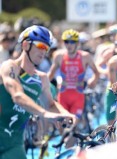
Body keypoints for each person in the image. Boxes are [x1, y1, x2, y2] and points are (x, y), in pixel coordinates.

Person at [0, 25, 76, 159]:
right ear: (25, 45)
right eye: (40, 46)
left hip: (13, 145)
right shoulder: (10, 67)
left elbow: (51, 105)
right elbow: (17, 96)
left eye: (47, 48)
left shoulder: (42, 78)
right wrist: (44, 114)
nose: (44, 51)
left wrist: (67, 115)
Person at [47, 29, 99, 117]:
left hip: (78, 95)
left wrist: (93, 80)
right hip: (63, 94)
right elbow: (50, 75)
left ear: (78, 43)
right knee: (62, 124)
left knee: (74, 121)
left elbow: (96, 72)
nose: (69, 45)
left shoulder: (85, 56)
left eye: (72, 42)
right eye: (66, 42)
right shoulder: (59, 56)